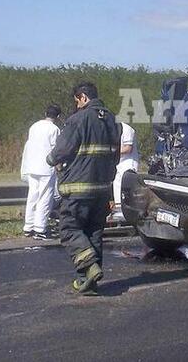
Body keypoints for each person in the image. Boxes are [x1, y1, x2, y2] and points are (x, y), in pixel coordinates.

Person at [46, 82, 121, 295]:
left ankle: (88, 268)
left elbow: (61, 151)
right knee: (93, 232)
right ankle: (88, 282)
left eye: (77, 101)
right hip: (102, 188)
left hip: (78, 187)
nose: (77, 105)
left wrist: (50, 158)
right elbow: (115, 156)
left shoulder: (79, 119)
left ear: (83, 98)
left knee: (69, 229)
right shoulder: (113, 121)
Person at [20, 104, 61, 240]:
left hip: (32, 166)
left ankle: (28, 227)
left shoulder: (34, 126)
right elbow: (56, 150)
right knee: (45, 198)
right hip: (46, 167)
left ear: (45, 113)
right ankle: (40, 229)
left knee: (32, 196)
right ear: (58, 116)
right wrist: (59, 165)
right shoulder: (54, 129)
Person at [112, 121, 139, 216]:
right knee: (116, 185)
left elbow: (128, 148)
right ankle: (119, 208)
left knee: (125, 187)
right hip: (119, 163)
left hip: (128, 163)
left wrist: (112, 151)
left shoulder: (127, 129)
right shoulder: (114, 130)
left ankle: (125, 211)